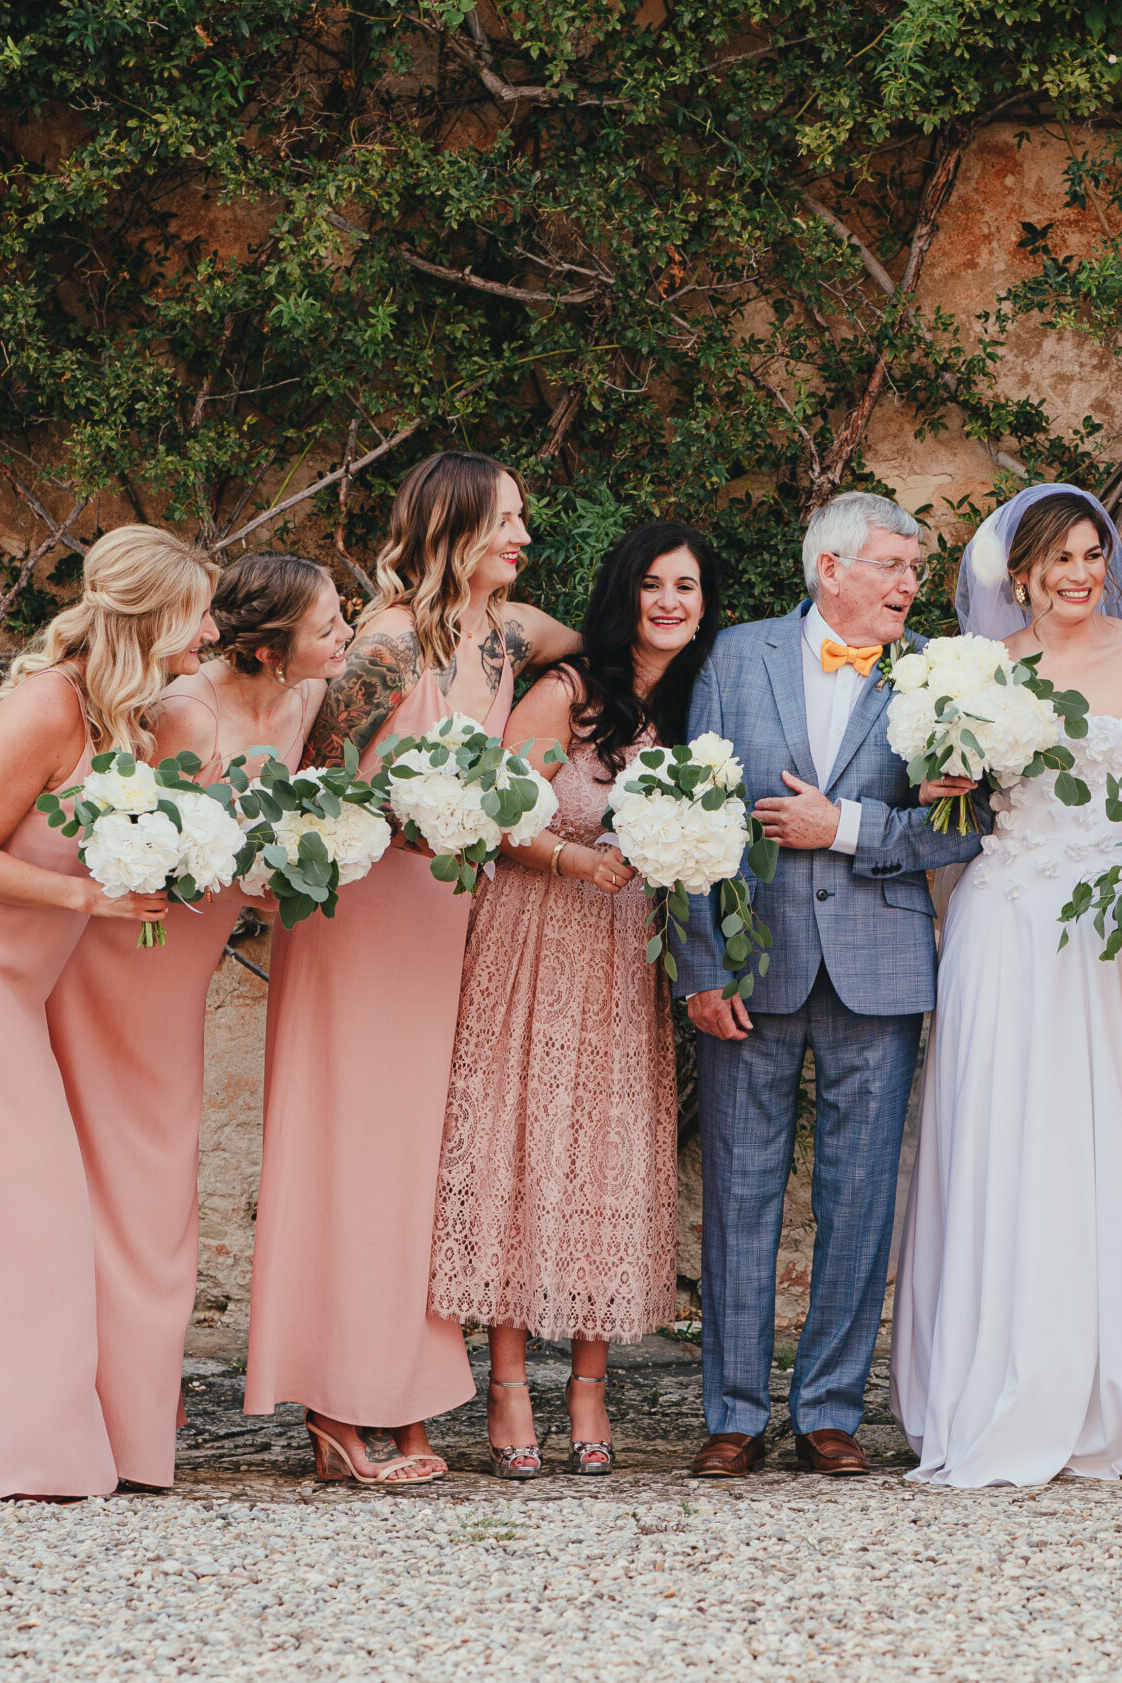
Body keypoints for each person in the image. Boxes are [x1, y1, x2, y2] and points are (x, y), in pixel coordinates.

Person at [243, 451, 580, 1486]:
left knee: (422, 1163)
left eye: (524, 519)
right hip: (365, 912)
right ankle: (343, 1406)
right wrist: (418, 818)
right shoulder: (385, 645)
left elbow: (603, 644)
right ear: (452, 530)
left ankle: (402, 1389)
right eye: (505, 521)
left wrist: (553, 746)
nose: (524, 536)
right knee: (358, 1151)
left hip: (446, 917)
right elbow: (318, 791)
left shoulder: (508, 632)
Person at [0, 523, 216, 1499]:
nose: (212, 630)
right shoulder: (48, 704)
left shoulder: (127, 715)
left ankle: (17, 1435)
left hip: (11, 989)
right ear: (152, 617)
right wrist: (96, 900)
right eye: (198, 612)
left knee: (32, 1215)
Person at [891, 485, 1122, 1486]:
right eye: (1059, 559)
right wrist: (937, 780)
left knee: (1105, 1131)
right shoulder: (980, 674)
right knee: (1005, 1131)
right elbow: (934, 795)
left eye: (1093, 554)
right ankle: (997, 1374)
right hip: (1002, 916)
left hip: (1107, 923)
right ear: (1018, 574)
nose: (1080, 573)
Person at [677, 490, 981, 1479]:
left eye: (914, 569)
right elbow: (692, 817)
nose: (910, 584)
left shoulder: (940, 673)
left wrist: (842, 827)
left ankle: (829, 1412)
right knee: (738, 1188)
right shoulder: (736, 656)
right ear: (831, 569)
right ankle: (731, 1412)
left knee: (857, 1201)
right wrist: (701, 966)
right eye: (893, 565)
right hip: (750, 963)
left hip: (879, 964)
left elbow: (962, 827)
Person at [45, 552, 351, 1490]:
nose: (346, 636)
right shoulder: (187, 712)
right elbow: (140, 840)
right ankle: (106, 1403)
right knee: (123, 1171)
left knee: (162, 1169)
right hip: (125, 956)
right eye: (329, 623)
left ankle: (138, 1393)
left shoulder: (302, 706)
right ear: (268, 646)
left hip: (192, 959)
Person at [432, 522, 721, 1478]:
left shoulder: (686, 710)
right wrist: (576, 856)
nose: (670, 602)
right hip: (535, 936)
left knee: (603, 1158)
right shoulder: (570, 691)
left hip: (622, 955)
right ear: (622, 596)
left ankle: (590, 1386)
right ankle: (510, 1385)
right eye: (653, 585)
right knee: (525, 1146)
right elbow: (494, 814)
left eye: (687, 587)